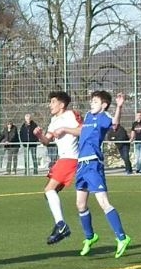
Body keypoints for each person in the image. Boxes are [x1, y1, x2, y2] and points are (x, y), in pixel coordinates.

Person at [56, 91, 132, 259]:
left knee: (103, 202)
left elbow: (115, 125)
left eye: (95, 101)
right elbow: (81, 131)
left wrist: (119, 107)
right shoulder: (89, 116)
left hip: (93, 164)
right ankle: (90, 237)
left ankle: (122, 237)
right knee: (80, 204)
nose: (92, 103)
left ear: (104, 105)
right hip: (81, 164)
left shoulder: (104, 117)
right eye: (92, 101)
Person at [33, 91, 81, 245]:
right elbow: (47, 141)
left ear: (62, 104)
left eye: (53, 102)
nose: (50, 105)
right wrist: (39, 135)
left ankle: (61, 225)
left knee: (49, 189)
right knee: (48, 193)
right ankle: (60, 225)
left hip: (70, 158)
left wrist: (65, 129)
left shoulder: (71, 115)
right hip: (63, 159)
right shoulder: (53, 120)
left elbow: (82, 130)